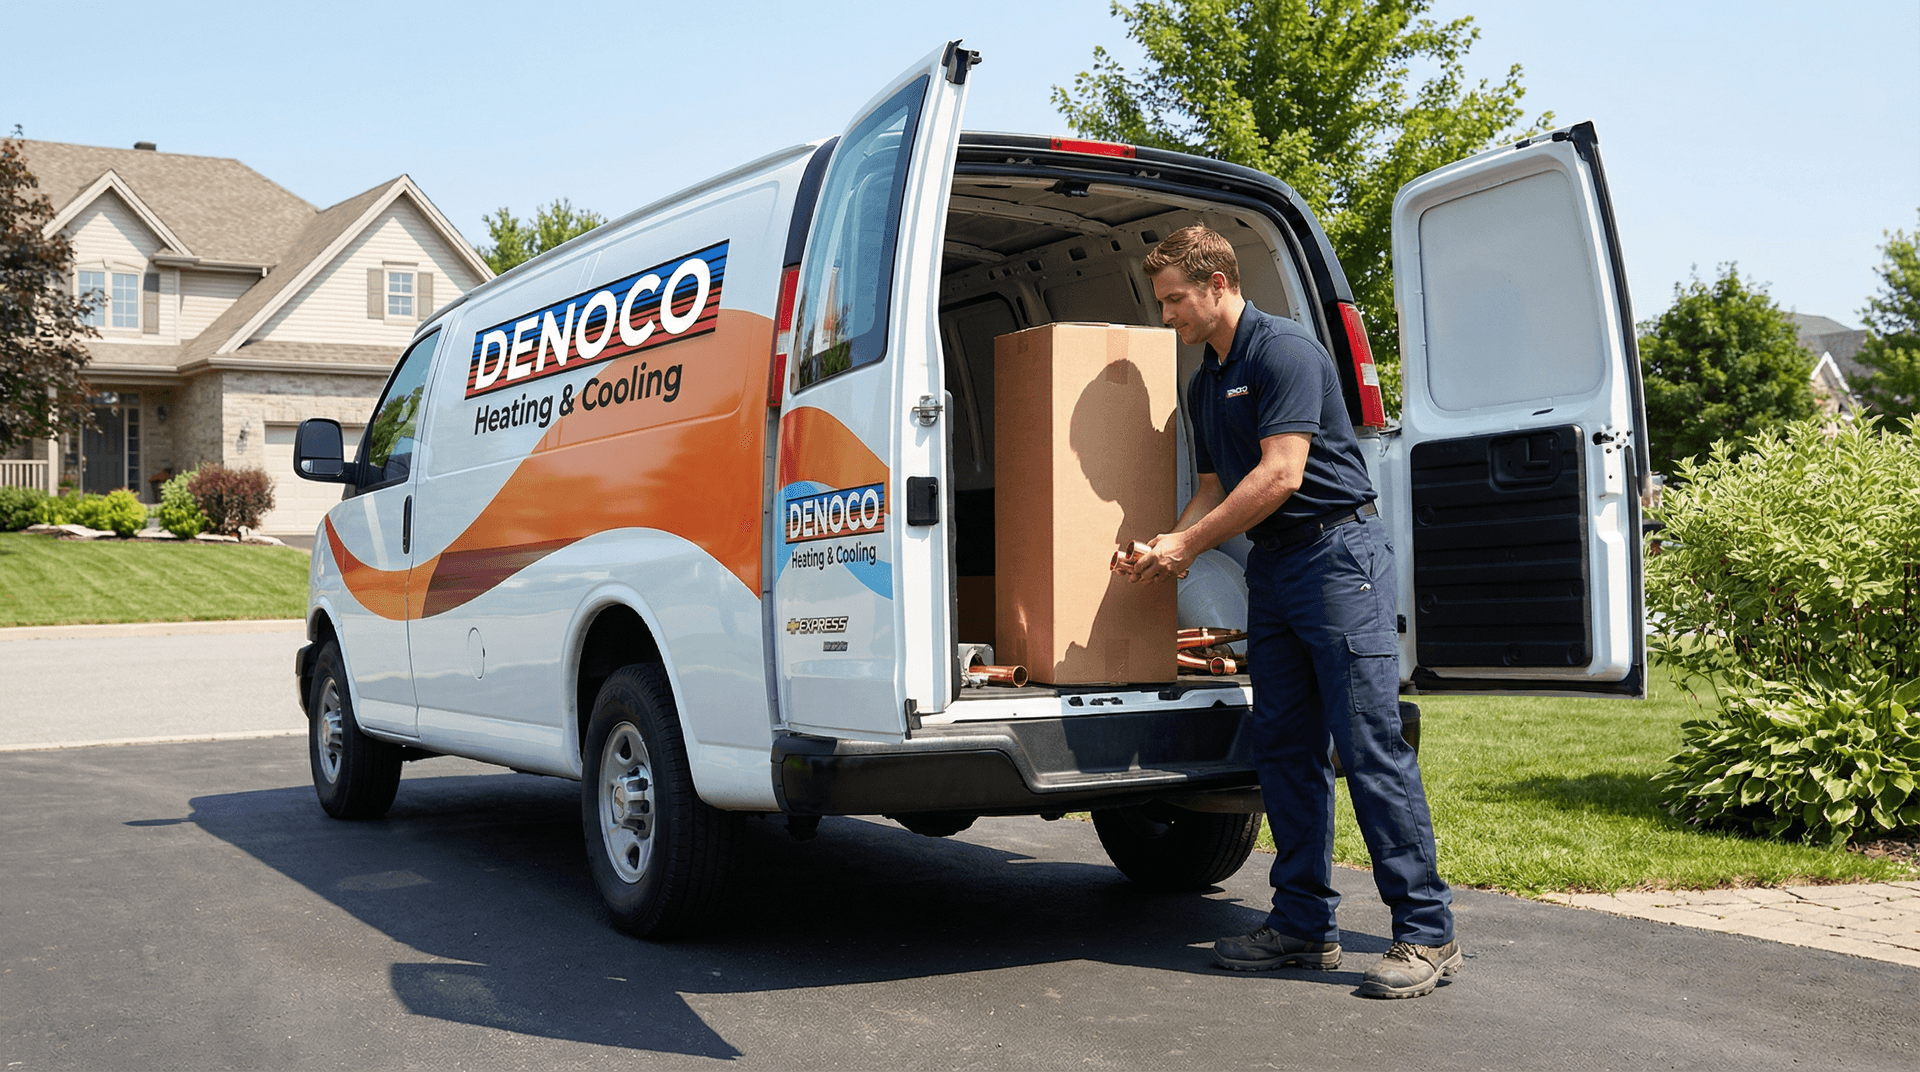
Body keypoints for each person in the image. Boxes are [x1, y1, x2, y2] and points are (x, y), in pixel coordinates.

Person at [1124, 225, 1458, 999]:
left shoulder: (1285, 353)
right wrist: (1166, 543)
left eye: (1175, 298)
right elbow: (1214, 486)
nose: (1167, 314)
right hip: (1275, 569)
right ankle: (1305, 926)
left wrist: (1189, 547)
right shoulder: (1205, 381)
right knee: (1284, 752)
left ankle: (1427, 932)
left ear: (1218, 283)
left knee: (1368, 748)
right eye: (1163, 301)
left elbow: (1280, 474)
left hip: (1338, 560)